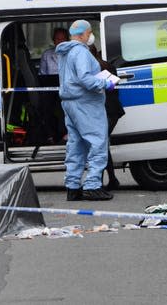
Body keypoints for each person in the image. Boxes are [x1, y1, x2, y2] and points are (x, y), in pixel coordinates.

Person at [55, 19, 116, 201]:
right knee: (98, 142)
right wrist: (106, 83)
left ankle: (73, 187)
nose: (91, 37)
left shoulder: (65, 53)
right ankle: (93, 185)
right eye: (89, 33)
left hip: (70, 103)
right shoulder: (81, 52)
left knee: (76, 145)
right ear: (82, 34)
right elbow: (85, 78)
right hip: (86, 104)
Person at [89, 44, 125, 190]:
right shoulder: (107, 65)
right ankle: (111, 179)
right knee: (103, 144)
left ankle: (101, 181)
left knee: (101, 145)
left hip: (107, 111)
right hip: (112, 111)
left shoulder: (94, 69)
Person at [39, 27, 69, 144]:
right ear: (53, 40)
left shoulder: (72, 54)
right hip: (51, 89)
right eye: (57, 39)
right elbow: (42, 75)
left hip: (68, 89)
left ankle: (66, 134)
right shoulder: (47, 55)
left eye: (63, 39)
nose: (60, 42)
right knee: (47, 106)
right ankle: (51, 135)